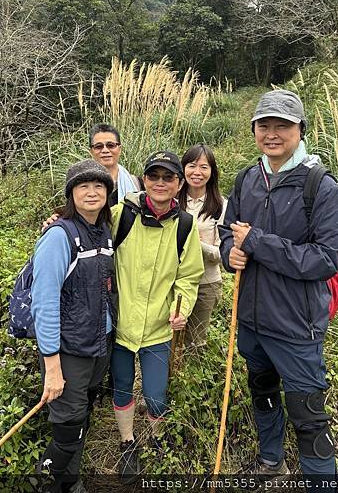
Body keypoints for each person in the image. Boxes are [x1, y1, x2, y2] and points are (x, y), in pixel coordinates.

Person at [219, 90, 338, 486]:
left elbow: (327, 259)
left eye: (282, 126)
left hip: (296, 327)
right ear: (254, 130)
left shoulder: (321, 186)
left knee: (308, 417)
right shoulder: (246, 178)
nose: (272, 134)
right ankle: (271, 461)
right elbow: (229, 230)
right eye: (264, 125)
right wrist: (230, 254)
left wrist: (257, 243)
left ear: (299, 130)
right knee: (263, 394)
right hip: (252, 321)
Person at [110, 150, 204, 481]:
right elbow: (87, 225)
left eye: (168, 177)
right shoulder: (121, 214)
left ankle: (156, 440)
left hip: (159, 328)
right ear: (144, 180)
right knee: (122, 387)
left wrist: (181, 309)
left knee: (155, 394)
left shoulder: (185, 226)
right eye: (154, 176)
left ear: (179, 184)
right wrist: (59, 219)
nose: (160, 183)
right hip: (121, 324)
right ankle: (127, 444)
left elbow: (189, 276)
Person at [32, 159, 117, 493]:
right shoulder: (59, 236)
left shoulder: (105, 231)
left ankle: (71, 482)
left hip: (99, 344)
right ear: (71, 194)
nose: (92, 192)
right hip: (68, 351)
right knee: (67, 433)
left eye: (99, 186)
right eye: (83, 186)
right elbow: (46, 301)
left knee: (81, 420)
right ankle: (44, 483)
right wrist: (52, 365)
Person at [178, 144, 227, 348]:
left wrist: (195, 243)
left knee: (194, 342)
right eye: (191, 165)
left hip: (205, 283)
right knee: (168, 337)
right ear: (183, 169)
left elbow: (221, 254)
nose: (197, 172)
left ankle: (189, 379)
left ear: (212, 172)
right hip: (174, 280)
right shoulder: (172, 200)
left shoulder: (221, 206)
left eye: (204, 167)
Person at [88, 123, 142, 205]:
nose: (105, 150)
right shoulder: (82, 186)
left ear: (120, 149)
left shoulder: (137, 184)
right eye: (98, 146)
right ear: (91, 151)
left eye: (111, 145)